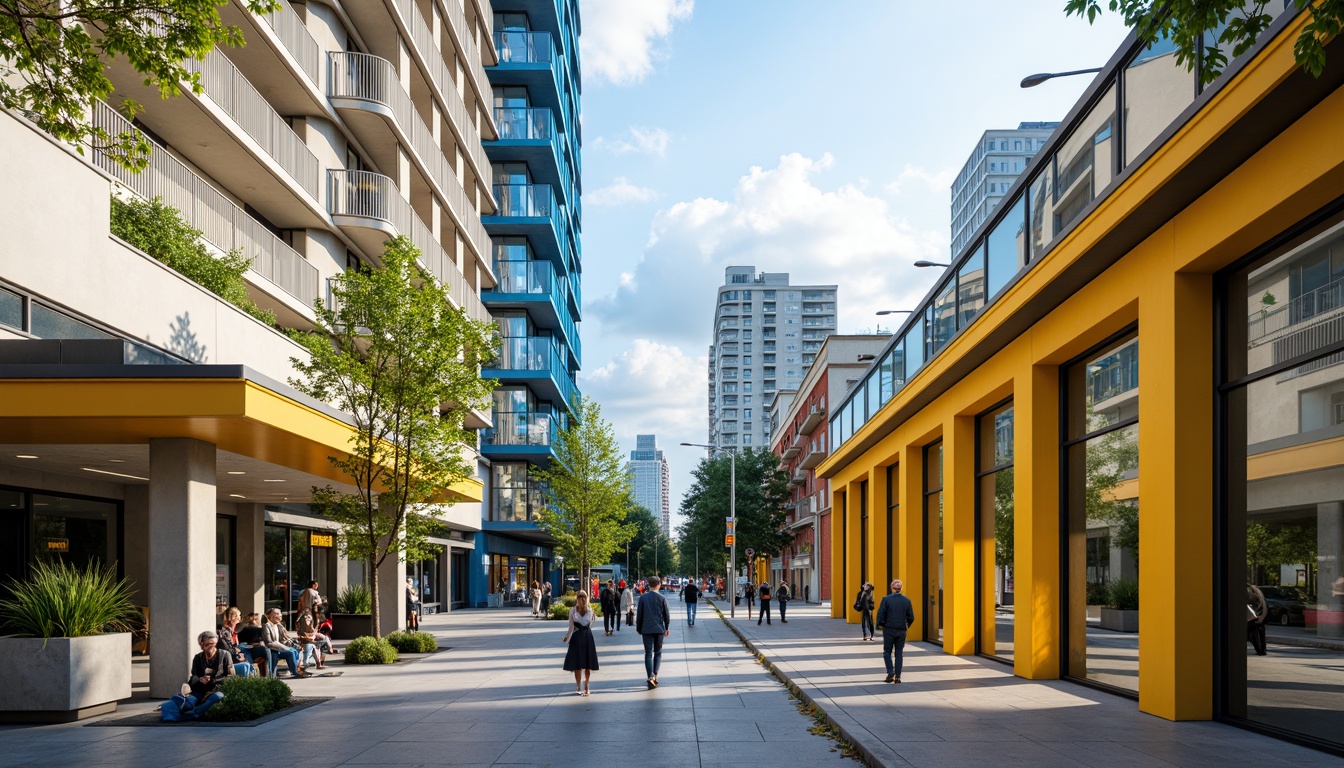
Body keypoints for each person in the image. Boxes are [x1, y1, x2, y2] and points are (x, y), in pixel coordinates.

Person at [163, 630, 233, 720]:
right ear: (201, 645)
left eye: (214, 644)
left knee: (217, 697)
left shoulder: (225, 655)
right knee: (182, 701)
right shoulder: (198, 657)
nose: (212, 646)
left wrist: (214, 680)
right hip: (200, 690)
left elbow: (231, 676)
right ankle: (172, 714)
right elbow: (194, 676)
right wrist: (200, 679)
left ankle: (195, 712)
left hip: (217, 688)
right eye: (208, 644)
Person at [875, 579, 916, 683]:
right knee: (899, 653)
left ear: (892, 588)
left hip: (889, 629)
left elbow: (881, 614)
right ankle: (898, 676)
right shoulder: (907, 601)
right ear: (901, 588)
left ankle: (890, 672)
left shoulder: (886, 599)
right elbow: (911, 617)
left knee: (887, 651)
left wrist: (879, 625)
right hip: (901, 630)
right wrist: (906, 626)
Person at [636, 575, 671, 689]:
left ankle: (649, 676)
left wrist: (639, 628)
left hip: (646, 629)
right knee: (658, 652)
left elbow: (639, 615)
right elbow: (666, 615)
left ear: (649, 585)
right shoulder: (662, 598)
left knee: (648, 653)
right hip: (659, 629)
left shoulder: (643, 598)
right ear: (658, 585)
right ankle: (655, 674)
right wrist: (666, 627)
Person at [562, 590, 600, 696]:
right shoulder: (590, 610)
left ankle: (578, 686)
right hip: (588, 636)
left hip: (577, 637)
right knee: (588, 662)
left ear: (577, 599)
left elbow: (571, 628)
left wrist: (566, 637)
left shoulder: (573, 611)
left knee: (577, 664)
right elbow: (590, 625)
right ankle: (586, 687)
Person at [263, 608, 308, 678]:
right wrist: (286, 648)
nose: (280, 615)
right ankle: (272, 675)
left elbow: (285, 638)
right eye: (278, 614)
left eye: (280, 613)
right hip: (271, 649)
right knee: (290, 651)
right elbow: (269, 642)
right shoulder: (267, 626)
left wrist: (293, 645)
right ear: (271, 616)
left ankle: (295, 672)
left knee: (293, 651)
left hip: (279, 648)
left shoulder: (278, 625)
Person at [217, 607, 258, 677]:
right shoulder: (224, 632)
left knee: (250, 665)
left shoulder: (230, 631)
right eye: (239, 615)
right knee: (247, 664)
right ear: (233, 617)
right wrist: (237, 655)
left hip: (233, 655)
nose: (240, 618)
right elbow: (227, 649)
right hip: (228, 659)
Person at [236, 612, 270, 676]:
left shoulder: (259, 629)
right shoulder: (243, 628)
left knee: (266, 650)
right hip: (245, 648)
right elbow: (237, 631)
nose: (254, 621)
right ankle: (266, 674)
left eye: (256, 619)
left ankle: (266, 674)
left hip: (254, 649)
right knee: (266, 651)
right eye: (253, 619)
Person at [1247, 583, 1268, 656]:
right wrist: (1262, 617)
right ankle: (1263, 650)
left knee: (1250, 633)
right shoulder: (1258, 591)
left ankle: (1259, 649)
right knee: (1261, 633)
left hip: (1252, 617)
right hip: (1260, 615)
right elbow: (1264, 604)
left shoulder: (1248, 591)